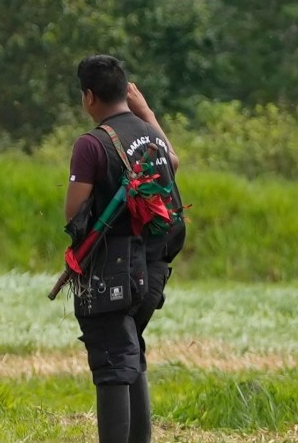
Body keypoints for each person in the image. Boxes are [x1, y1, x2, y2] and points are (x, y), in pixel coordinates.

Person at [62, 55, 185, 443]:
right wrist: (147, 112)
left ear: (89, 97)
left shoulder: (92, 143)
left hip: (112, 272)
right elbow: (173, 161)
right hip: (153, 268)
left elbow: (73, 212)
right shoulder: (150, 135)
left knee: (113, 361)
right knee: (130, 354)